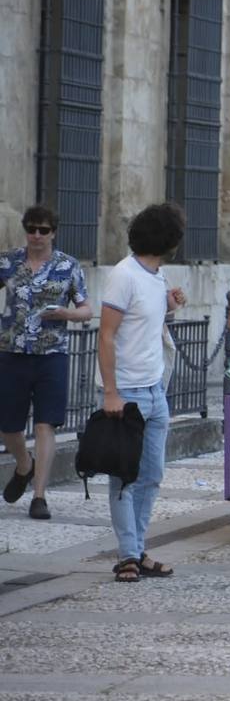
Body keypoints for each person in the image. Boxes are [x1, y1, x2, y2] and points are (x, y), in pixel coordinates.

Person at [97, 203, 187, 583]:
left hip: (155, 389)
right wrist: (112, 392)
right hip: (128, 391)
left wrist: (169, 306)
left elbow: (143, 323)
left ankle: (138, 547)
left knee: (151, 475)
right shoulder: (124, 275)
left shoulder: (156, 275)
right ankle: (128, 555)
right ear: (168, 239)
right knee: (124, 476)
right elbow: (106, 334)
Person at [1, 206, 92, 520]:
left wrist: (65, 314)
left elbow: (86, 310)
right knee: (8, 426)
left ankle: (39, 496)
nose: (36, 236)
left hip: (52, 354)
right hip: (12, 351)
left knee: (45, 424)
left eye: (43, 230)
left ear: (53, 232)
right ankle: (24, 466)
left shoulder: (68, 266)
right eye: (31, 229)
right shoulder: (9, 261)